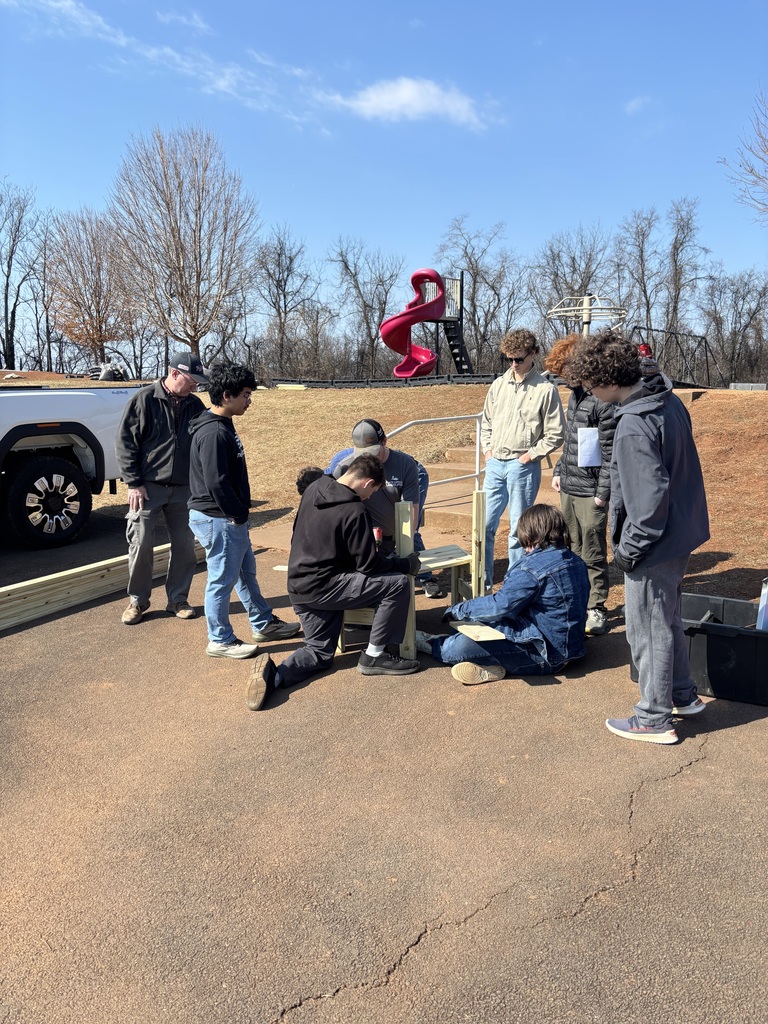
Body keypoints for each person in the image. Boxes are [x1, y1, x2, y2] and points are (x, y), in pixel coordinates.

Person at [563, 329, 710, 744]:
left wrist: (628, 551)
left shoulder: (633, 423)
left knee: (646, 628)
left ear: (607, 380)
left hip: (655, 543)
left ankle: (653, 718)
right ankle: (682, 695)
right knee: (666, 620)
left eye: (590, 384)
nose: (589, 392)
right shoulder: (667, 399)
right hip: (680, 532)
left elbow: (648, 502)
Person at [246, 454, 422, 711]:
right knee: (397, 584)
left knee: (319, 652)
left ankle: (274, 676)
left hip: (299, 586)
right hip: (327, 586)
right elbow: (369, 566)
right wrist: (405, 565)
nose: (370, 497)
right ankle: (374, 656)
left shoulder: (314, 488)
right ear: (367, 483)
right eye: (373, 491)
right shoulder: (355, 510)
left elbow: (299, 534)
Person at [188, 363, 300, 659]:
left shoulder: (221, 423)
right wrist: (236, 513)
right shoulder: (213, 432)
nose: (249, 401)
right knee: (221, 580)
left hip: (226, 517)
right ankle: (220, 639)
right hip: (219, 518)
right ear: (227, 395)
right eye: (246, 395)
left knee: (245, 573)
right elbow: (216, 482)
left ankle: (263, 623)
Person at [415, 504, 589, 685]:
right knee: (469, 626)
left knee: (457, 647)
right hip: (574, 649)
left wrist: (459, 609)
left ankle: (433, 643)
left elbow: (501, 605)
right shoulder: (577, 561)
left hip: (546, 655)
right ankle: (494, 667)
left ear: (530, 533)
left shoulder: (531, 569)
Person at [115, 350, 209, 625]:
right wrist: (134, 483)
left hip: (184, 488)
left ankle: (177, 599)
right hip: (147, 487)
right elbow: (125, 443)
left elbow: (203, 444)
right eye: (191, 381)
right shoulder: (144, 399)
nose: (195, 386)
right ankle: (138, 601)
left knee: (184, 546)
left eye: (198, 383)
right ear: (174, 373)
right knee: (141, 543)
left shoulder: (195, 405)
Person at [545, 335, 617, 637]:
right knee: (571, 547)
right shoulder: (575, 396)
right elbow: (572, 440)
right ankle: (576, 602)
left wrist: (602, 493)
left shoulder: (602, 400)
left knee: (593, 550)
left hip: (592, 491)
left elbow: (610, 451)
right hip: (570, 485)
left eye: (565, 371)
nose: (563, 378)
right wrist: (559, 469)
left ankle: (596, 607)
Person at [481, 329, 565, 589]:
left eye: (518, 359)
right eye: (509, 359)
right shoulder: (498, 385)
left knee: (519, 530)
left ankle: (514, 585)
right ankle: (483, 582)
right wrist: (488, 452)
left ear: (533, 354)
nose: (513, 364)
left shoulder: (545, 390)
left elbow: (556, 433)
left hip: (522, 467)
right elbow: (486, 422)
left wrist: (530, 456)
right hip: (495, 464)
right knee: (484, 525)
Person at [329, 418, 444, 598]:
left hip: (393, 527)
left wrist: (399, 556)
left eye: (374, 452)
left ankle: (424, 576)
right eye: (364, 454)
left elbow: (410, 519)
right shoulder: (344, 465)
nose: (370, 458)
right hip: (368, 537)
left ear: (384, 441)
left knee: (411, 534)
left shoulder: (405, 465)